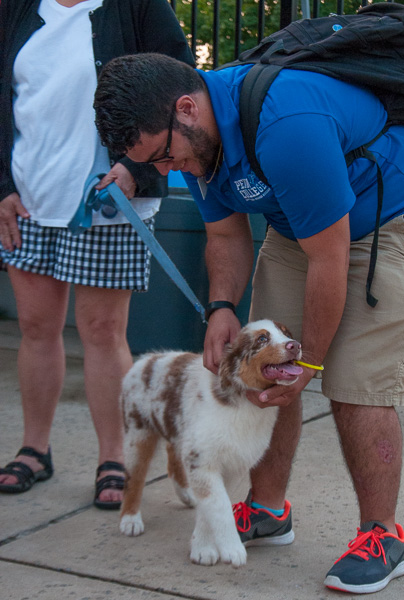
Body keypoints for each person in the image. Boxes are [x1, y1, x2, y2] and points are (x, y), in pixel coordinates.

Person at [93, 53, 404, 592]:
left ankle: (383, 536)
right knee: (264, 367)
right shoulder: (197, 144)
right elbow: (224, 235)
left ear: (187, 108)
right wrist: (221, 308)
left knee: (355, 378)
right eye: (156, 164)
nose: (166, 171)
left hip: (395, 214)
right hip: (302, 222)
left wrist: (308, 362)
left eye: (165, 156)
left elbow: (330, 261)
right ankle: (267, 509)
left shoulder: (287, 124)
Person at [0, 1, 194, 509]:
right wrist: (1, 186)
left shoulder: (136, 6)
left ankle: (116, 459)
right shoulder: (16, 8)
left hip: (108, 199)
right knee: (37, 328)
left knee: (104, 333)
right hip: (28, 199)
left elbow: (180, 89)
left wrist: (137, 166)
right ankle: (34, 450)